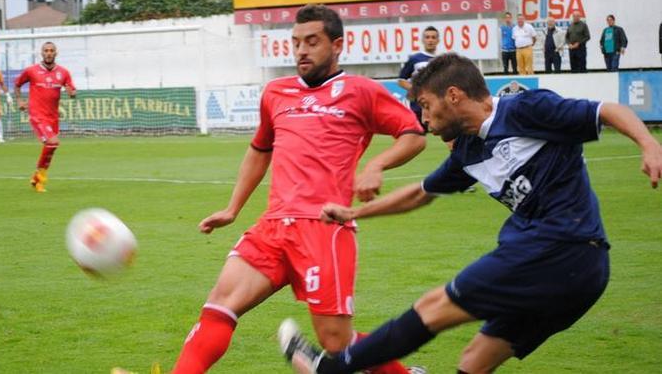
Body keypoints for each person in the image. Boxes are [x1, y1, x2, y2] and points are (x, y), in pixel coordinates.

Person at [278, 53, 662, 374]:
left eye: (426, 107)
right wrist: (351, 213)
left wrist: (648, 143)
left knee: (434, 307)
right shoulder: (467, 152)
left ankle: (333, 368)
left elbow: (606, 110)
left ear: (454, 95)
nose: (424, 121)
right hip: (578, 273)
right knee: (475, 360)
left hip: (561, 248)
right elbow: (420, 194)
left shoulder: (527, 108)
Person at [171, 4, 426, 374]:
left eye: (312, 41)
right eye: (295, 43)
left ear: (338, 45)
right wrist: (232, 208)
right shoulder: (276, 92)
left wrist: (375, 165)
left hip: (324, 228)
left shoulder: (361, 91)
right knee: (219, 305)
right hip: (273, 227)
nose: (301, 50)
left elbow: (414, 135)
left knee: (335, 342)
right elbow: (260, 150)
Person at [14, 42, 76, 193]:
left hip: (53, 117)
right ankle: (40, 179)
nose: (48, 53)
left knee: (52, 146)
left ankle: (36, 179)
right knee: (52, 142)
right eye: (46, 51)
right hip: (37, 115)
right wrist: (20, 100)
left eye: (51, 51)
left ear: (56, 53)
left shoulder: (63, 72)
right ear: (41, 53)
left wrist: (72, 93)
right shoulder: (31, 71)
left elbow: (72, 91)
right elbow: (17, 85)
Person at [398, 26, 439, 131]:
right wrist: (416, 90)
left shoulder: (441, 60)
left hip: (437, 105)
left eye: (433, 37)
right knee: (418, 136)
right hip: (418, 106)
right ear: (423, 40)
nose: (430, 40)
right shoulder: (415, 59)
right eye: (428, 37)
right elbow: (401, 80)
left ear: (438, 40)